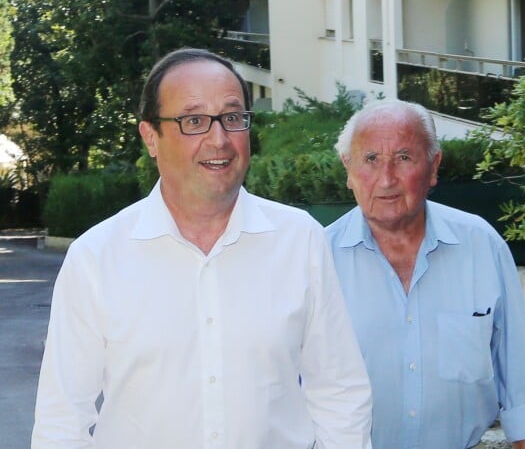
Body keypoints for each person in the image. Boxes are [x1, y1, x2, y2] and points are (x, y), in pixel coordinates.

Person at [32, 48, 373, 448]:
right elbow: (62, 422)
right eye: (194, 121)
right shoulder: (96, 258)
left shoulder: (299, 240)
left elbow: (340, 394)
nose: (219, 139)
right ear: (150, 138)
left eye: (232, 118)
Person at [326, 99, 525, 449]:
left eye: (404, 158)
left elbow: (519, 378)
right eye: (371, 159)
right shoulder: (318, 259)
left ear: (434, 167)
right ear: (348, 169)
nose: (386, 179)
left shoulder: (481, 245)